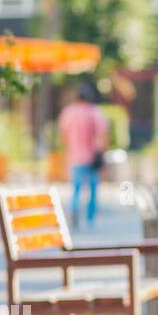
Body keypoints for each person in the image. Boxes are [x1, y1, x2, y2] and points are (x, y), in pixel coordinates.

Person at [58, 80, 109, 229]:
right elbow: (103, 134)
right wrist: (102, 154)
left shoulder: (68, 112)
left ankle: (74, 211)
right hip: (92, 156)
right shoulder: (94, 111)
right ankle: (90, 218)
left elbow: (63, 135)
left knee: (76, 189)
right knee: (93, 190)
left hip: (74, 156)